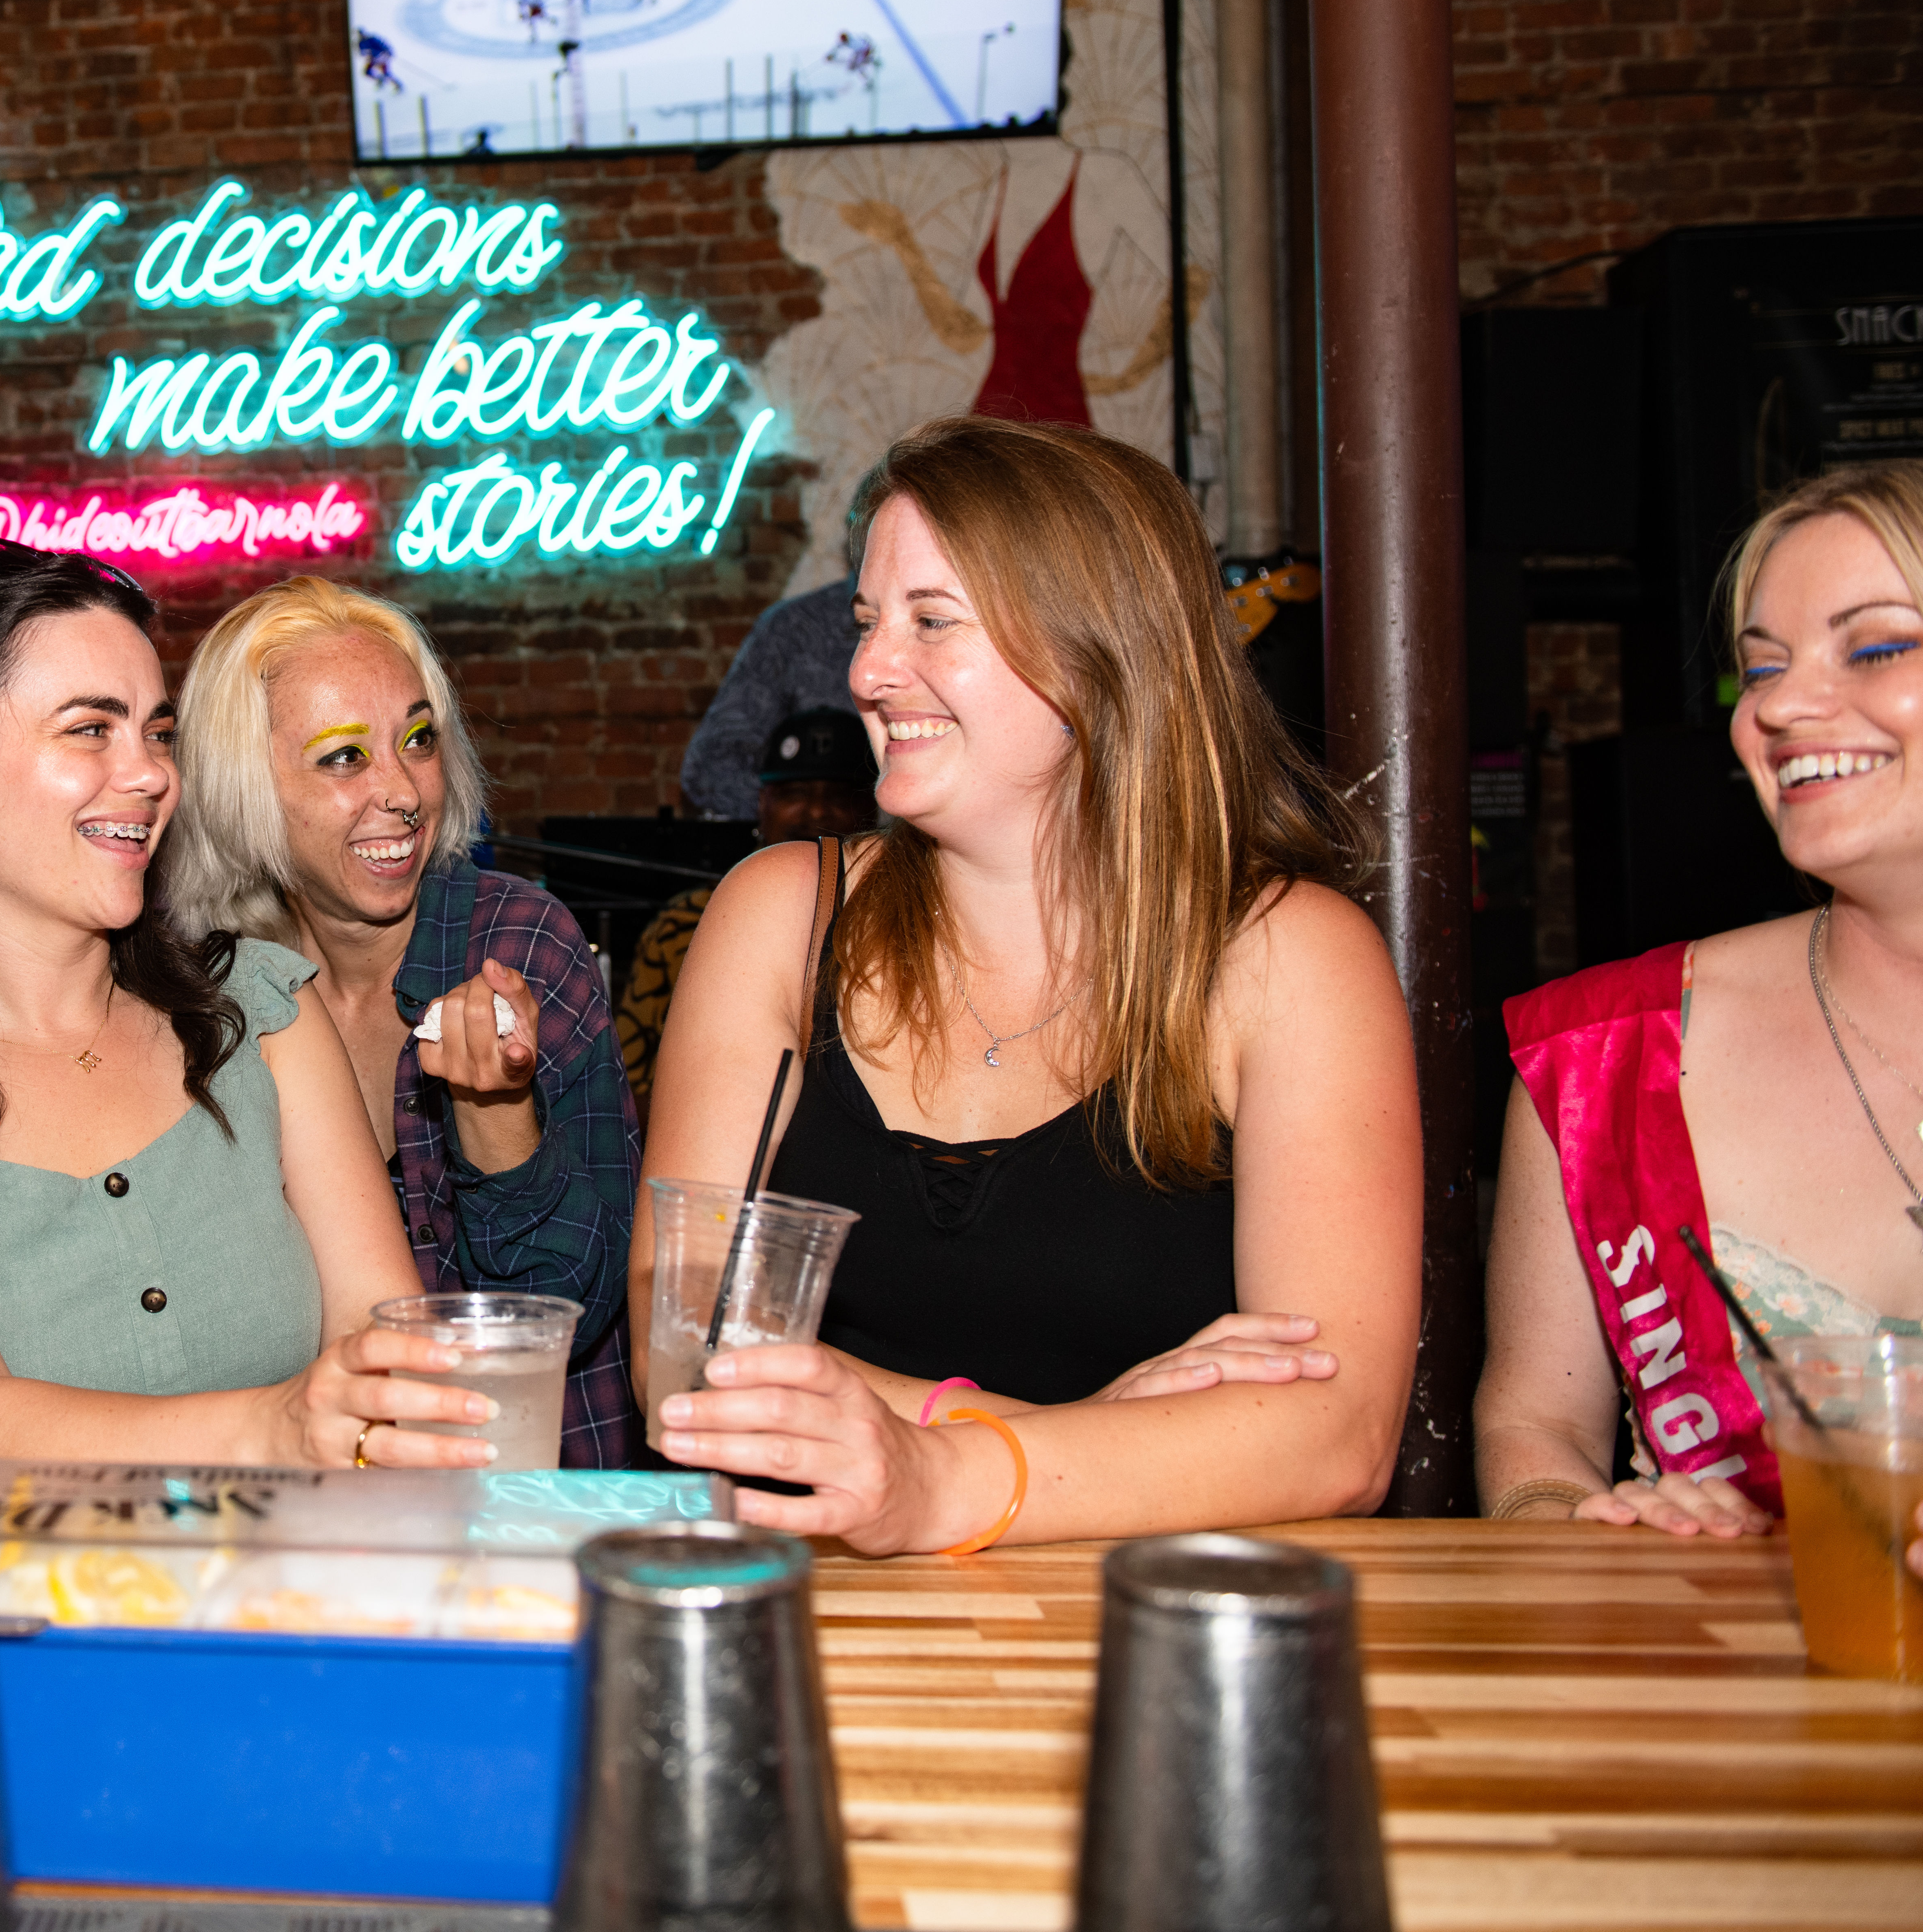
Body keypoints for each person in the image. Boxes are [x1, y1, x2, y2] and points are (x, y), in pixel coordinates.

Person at [638, 416, 1418, 1551]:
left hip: (1162, 1636)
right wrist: (1087, 1441)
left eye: (931, 623)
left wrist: (943, 1472)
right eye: (868, 622)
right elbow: (687, 1354)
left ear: (1096, 651)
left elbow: (1336, 1436)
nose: (865, 671)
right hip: (828, 1616)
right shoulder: (781, 917)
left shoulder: (1288, 958)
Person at [0, 538, 493, 1466]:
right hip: (9, 1608)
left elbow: (379, 1347)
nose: (151, 773)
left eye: (157, 733)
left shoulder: (260, 1015)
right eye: (90, 730)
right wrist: (268, 1427)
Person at [1477, 462, 1923, 1535]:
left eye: (1878, 647)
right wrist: (1581, 1527)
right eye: (1759, 670)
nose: (1783, 708)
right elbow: (1536, 1435)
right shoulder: (1608, 1057)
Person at [164, 578, 644, 1468]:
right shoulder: (206, 995)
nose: (404, 791)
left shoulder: (515, 941)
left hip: (534, 1502)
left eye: (419, 740)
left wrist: (498, 1114)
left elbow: (570, 1306)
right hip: (320, 1508)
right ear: (244, 784)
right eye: (344, 757)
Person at [617, 704, 875, 1113]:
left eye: (840, 796)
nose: (816, 812)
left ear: (871, 808)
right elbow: (628, 1094)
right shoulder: (683, 925)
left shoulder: (896, 928)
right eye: (794, 794)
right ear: (763, 804)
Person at [681, 463, 885, 820]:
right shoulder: (797, 629)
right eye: (875, 528)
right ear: (851, 535)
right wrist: (801, 822)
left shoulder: (973, 621)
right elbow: (712, 766)